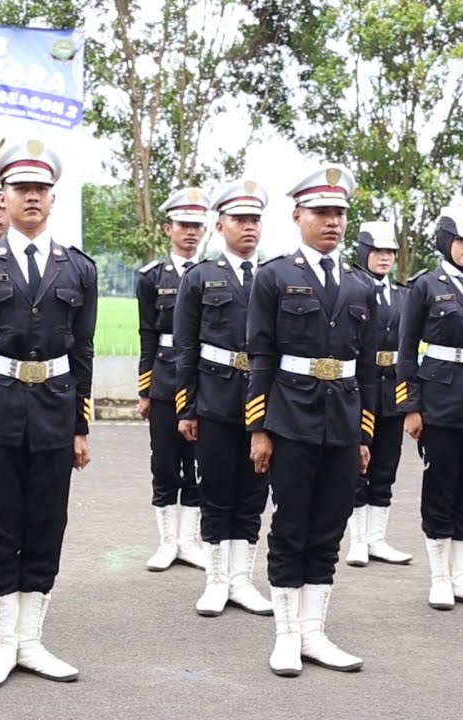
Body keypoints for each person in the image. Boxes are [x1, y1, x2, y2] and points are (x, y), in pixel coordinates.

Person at [0, 140, 97, 688]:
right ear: (3, 198)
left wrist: (81, 426)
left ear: (51, 199)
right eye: (21, 189)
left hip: (56, 412)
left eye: (40, 190)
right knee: (3, 525)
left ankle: (31, 642)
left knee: (46, 526)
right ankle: (1, 645)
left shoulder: (77, 269)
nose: (31, 197)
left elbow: (81, 354)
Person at [248, 165, 376, 677]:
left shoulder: (360, 285)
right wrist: (259, 428)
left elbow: (366, 367)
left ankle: (314, 632)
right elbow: (260, 354)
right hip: (291, 417)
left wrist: (364, 432)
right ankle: (285, 636)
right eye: (322, 212)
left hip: (343, 421)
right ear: (298, 215)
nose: (332, 222)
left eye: (340, 213)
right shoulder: (275, 276)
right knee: (291, 526)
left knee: (328, 528)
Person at [396, 206, 463, 610]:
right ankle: (440, 577)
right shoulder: (425, 287)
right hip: (440, 396)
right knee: (441, 485)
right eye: (462, 241)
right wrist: (410, 405)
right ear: (446, 243)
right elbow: (406, 350)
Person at [172, 178, 273, 617]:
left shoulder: (275, 278)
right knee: (215, 488)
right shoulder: (200, 278)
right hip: (214, 398)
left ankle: (242, 579)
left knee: (253, 491)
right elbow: (185, 347)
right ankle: (216, 580)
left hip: (265, 401)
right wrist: (186, 407)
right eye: (239, 219)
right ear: (221, 224)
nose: (248, 227)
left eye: (255, 220)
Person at [138, 189, 208, 571]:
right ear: (168, 228)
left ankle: (190, 540)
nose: (191, 232)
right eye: (184, 225)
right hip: (165, 376)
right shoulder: (152, 277)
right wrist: (145, 388)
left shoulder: (213, 273)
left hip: (204, 377)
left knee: (197, 461)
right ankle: (168, 541)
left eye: (198, 225)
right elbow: (147, 333)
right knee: (165, 461)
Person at [344, 221, 413, 568]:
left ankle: (377, 539)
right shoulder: (351, 288)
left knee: (386, 464)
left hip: (393, 388)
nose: (384, 258)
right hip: (359, 387)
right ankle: (357, 540)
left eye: (390, 252)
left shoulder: (404, 295)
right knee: (359, 463)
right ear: (363, 253)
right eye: (378, 251)